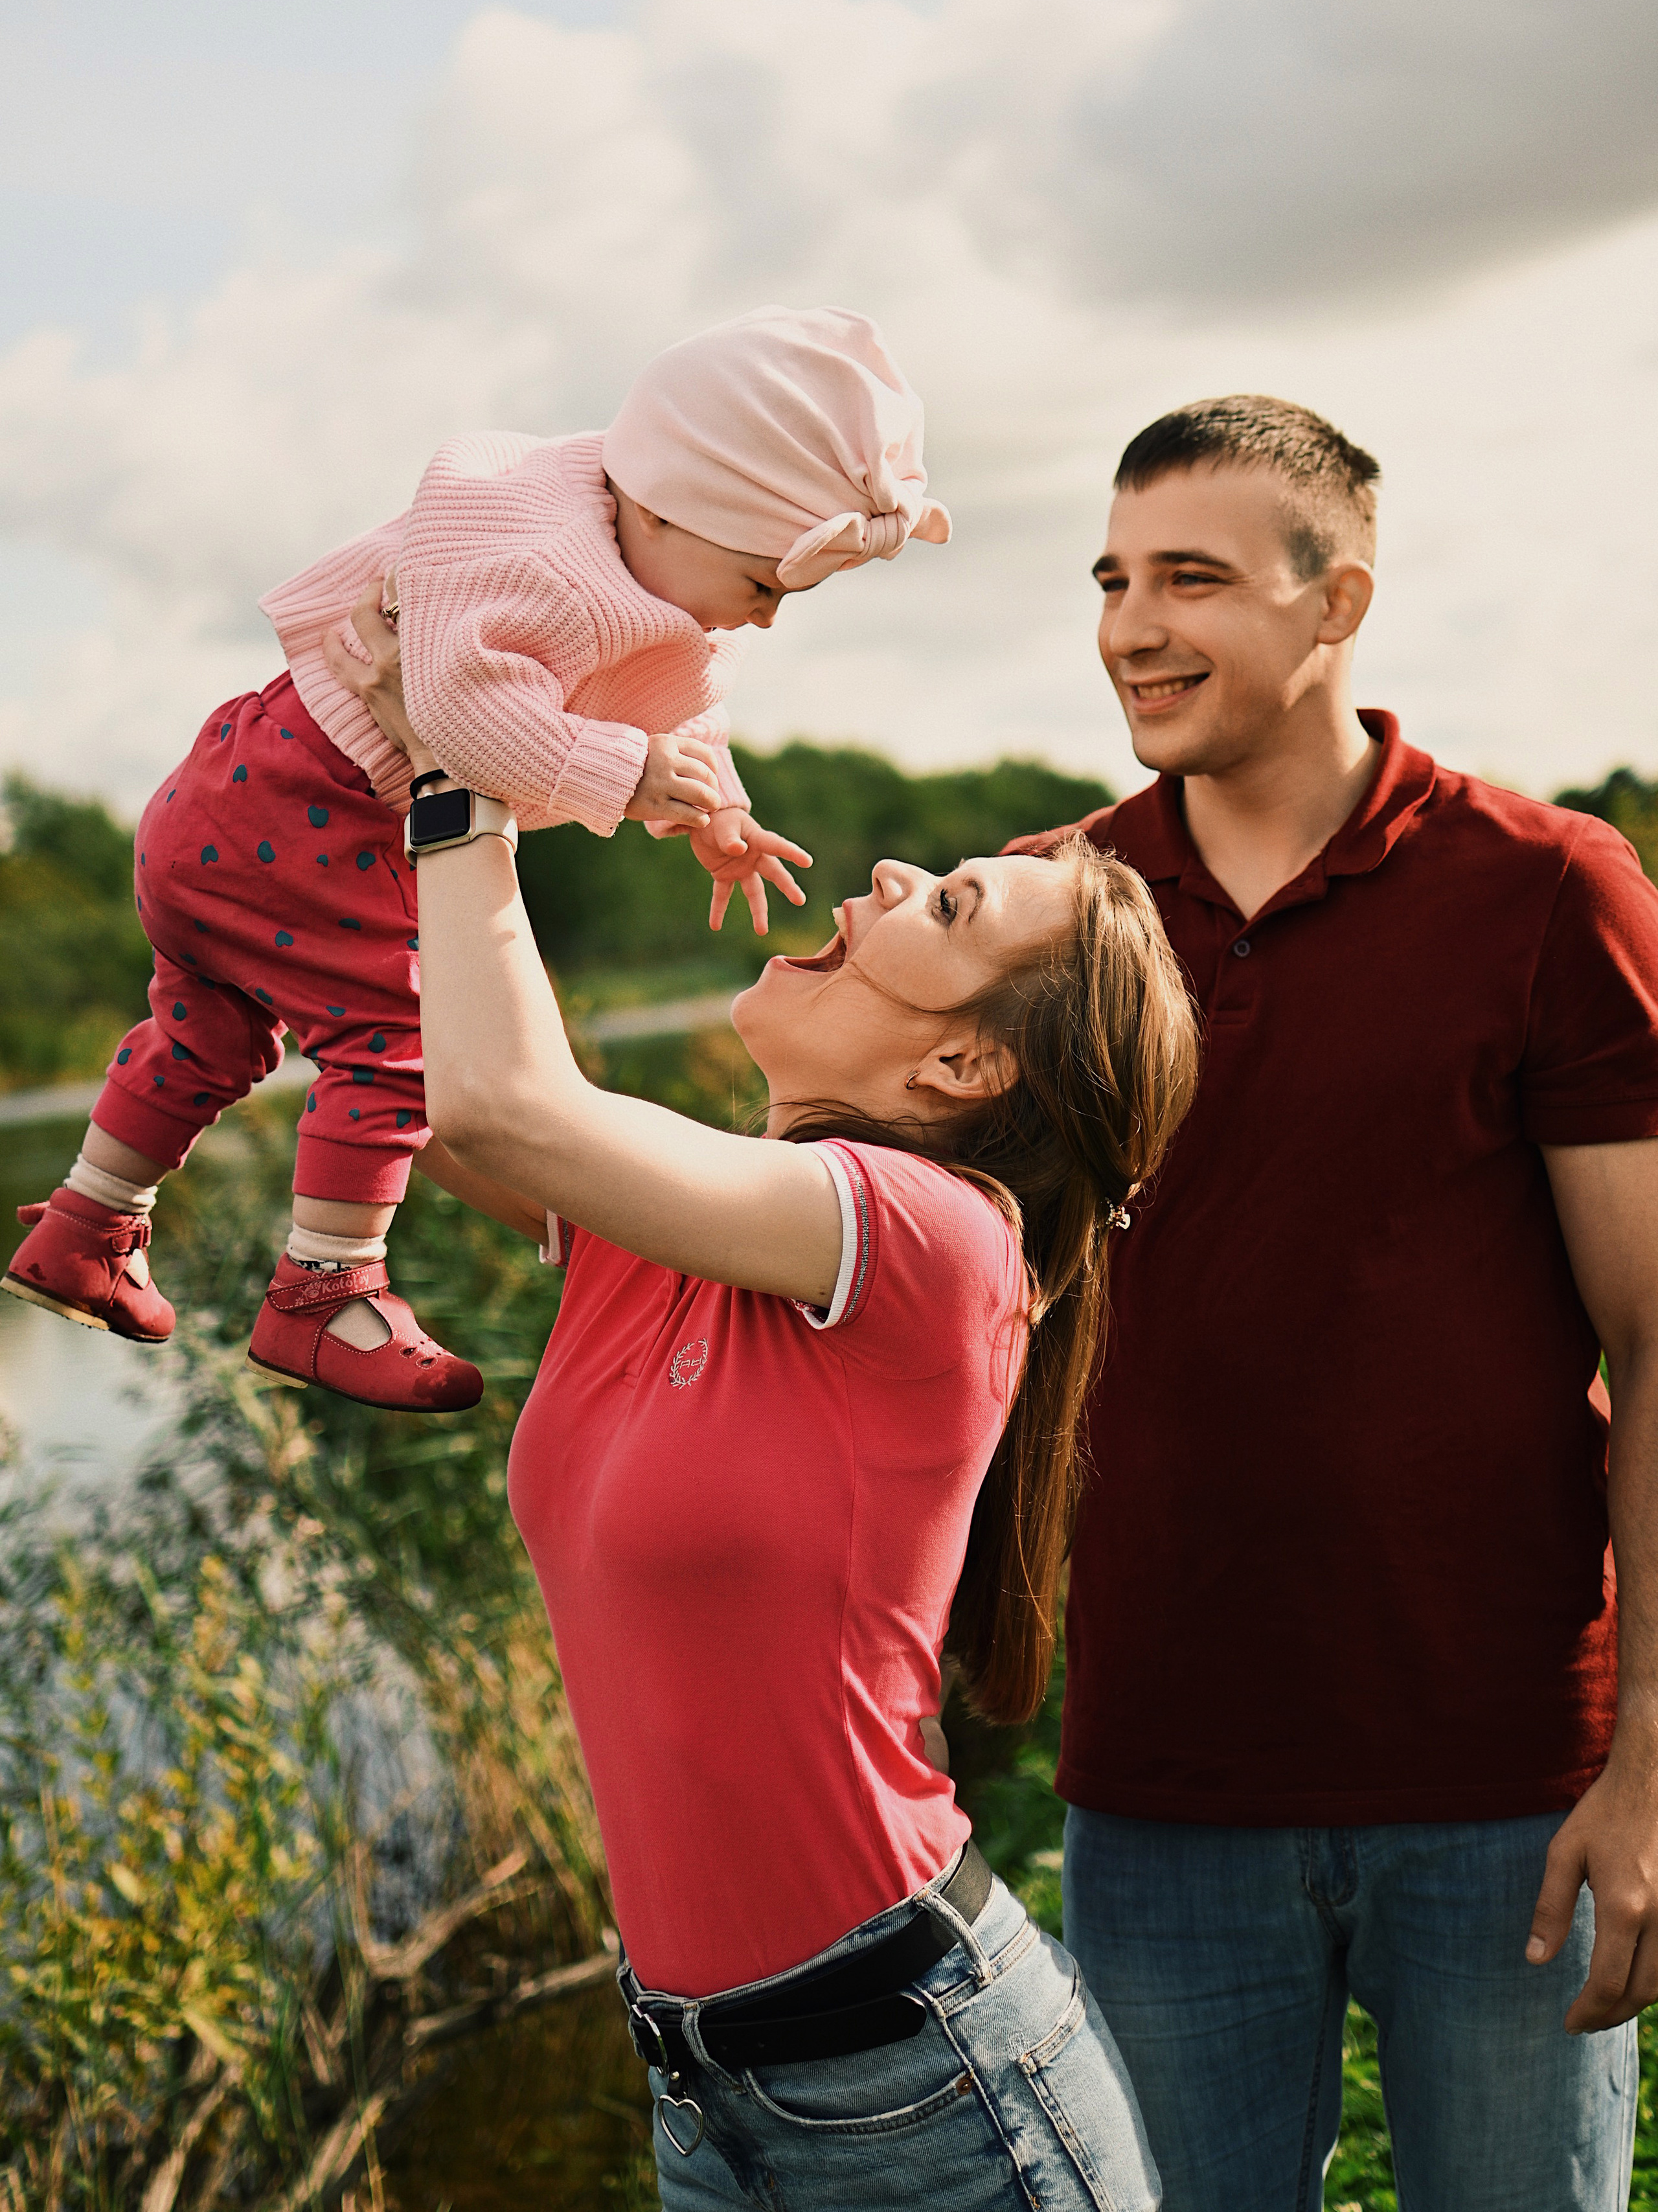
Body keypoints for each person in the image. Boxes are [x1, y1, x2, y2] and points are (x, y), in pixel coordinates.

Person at [321, 595, 1199, 2210]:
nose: (880, 879)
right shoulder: (669, 1237)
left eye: (944, 902)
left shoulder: (942, 1242)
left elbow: (505, 1106)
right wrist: (415, 710)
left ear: (962, 1072)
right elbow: (411, 1071)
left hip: (925, 2095)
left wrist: (473, 774)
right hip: (706, 2090)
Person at [1007, 395, 1658, 2211]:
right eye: (1114, 578)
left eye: (1191, 578)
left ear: (1334, 600)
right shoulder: (1060, 911)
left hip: (1508, 1790)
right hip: (1158, 1786)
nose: (1133, 624)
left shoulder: (1547, 890)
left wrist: (1653, 1768)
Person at [3, 305, 951, 1415]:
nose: (768, 621)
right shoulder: (537, 559)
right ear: (671, 506)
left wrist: (715, 811)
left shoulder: (637, 558)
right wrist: (627, 778)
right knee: (405, 1047)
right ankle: (325, 1293)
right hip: (316, 815)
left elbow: (677, 702)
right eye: (766, 586)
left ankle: (86, 1224)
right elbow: (455, 720)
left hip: (225, 799)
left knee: (208, 1030)